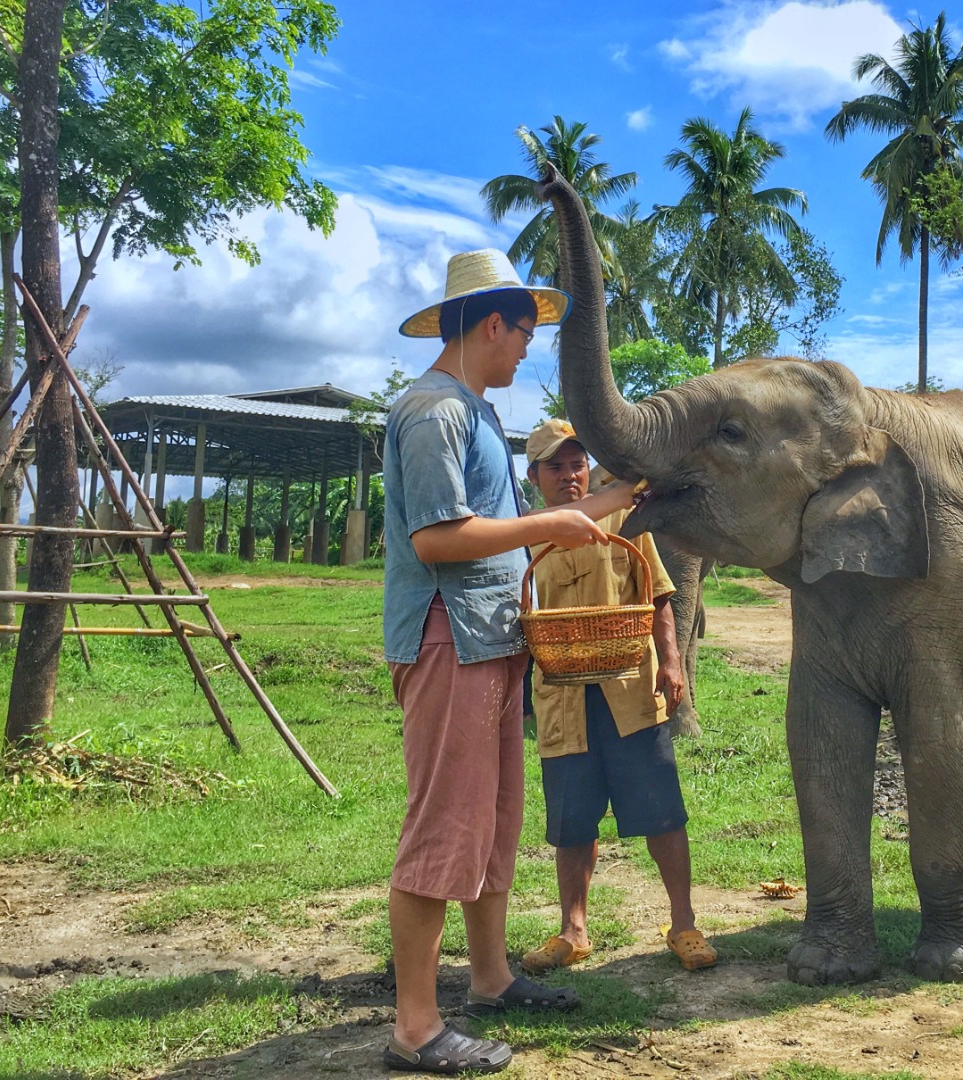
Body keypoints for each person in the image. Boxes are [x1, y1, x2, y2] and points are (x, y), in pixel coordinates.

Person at [381, 251, 637, 1075]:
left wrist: (604, 502)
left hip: (490, 641)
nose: (528, 349)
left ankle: (489, 982)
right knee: (443, 825)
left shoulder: (479, 413)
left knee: (491, 821)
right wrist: (548, 528)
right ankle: (415, 1028)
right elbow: (436, 538)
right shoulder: (432, 413)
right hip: (446, 639)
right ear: (493, 325)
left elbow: (507, 519)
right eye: (526, 334)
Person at [520, 419, 717, 976]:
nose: (569, 475)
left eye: (576, 463)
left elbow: (656, 594)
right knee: (571, 822)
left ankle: (683, 922)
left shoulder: (624, 519)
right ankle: (573, 931)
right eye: (555, 466)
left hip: (630, 691)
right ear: (534, 476)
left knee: (662, 812)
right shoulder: (525, 534)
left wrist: (672, 662)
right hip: (562, 698)